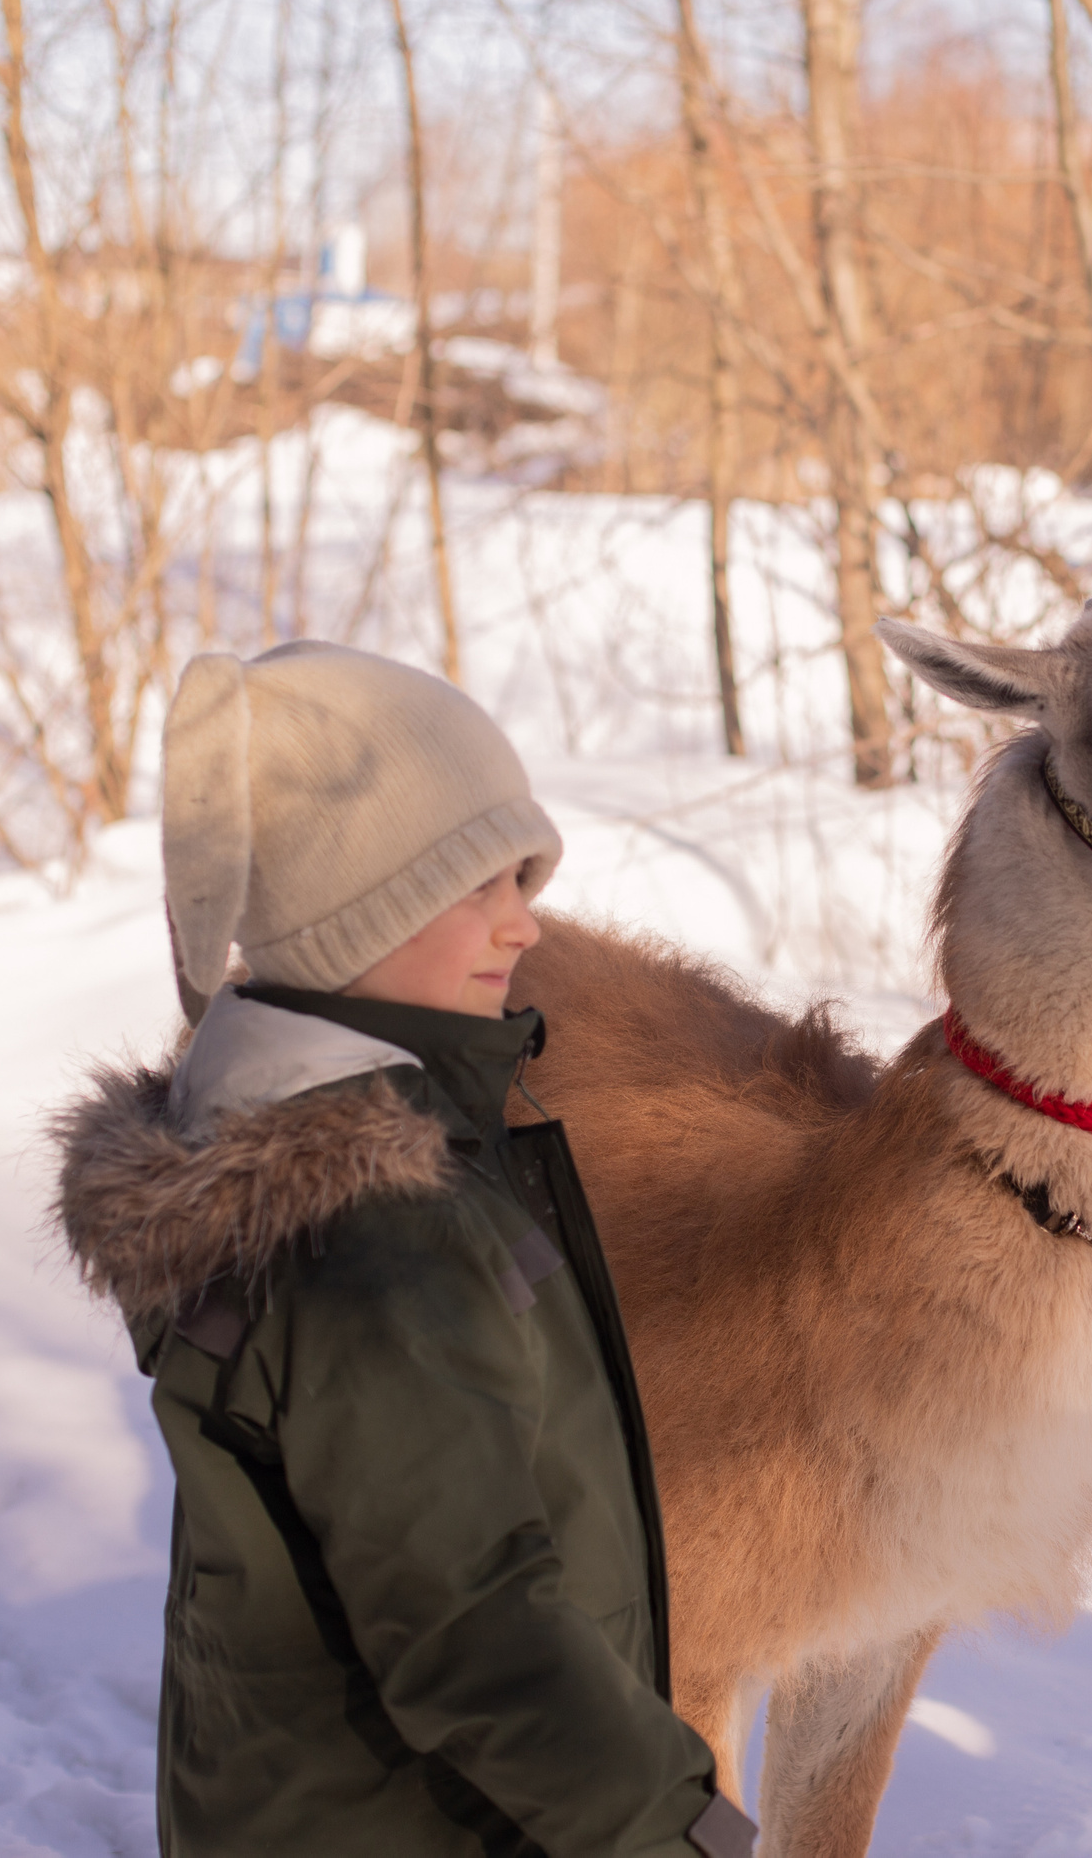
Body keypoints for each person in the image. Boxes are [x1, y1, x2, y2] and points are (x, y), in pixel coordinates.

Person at [51, 642, 756, 1858]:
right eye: (480, 882)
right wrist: (682, 1835)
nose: (525, 923)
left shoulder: (334, 1158)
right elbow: (471, 1625)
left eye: (523, 877)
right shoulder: (374, 1234)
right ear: (352, 912)